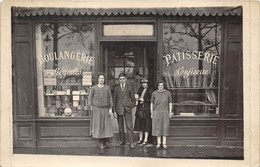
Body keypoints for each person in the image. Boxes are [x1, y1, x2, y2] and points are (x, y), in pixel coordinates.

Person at [88, 73, 113, 149]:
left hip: (105, 109)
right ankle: (101, 142)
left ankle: (106, 141)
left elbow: (110, 98)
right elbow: (90, 98)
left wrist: (110, 108)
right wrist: (91, 106)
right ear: (98, 79)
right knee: (98, 125)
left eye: (102, 78)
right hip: (97, 109)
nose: (101, 80)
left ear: (104, 79)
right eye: (100, 78)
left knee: (106, 125)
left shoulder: (107, 88)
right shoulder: (94, 88)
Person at [113, 73, 136, 148]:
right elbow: (114, 100)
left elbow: (134, 100)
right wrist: (114, 111)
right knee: (120, 127)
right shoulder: (116, 88)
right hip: (119, 109)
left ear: (126, 79)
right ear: (118, 80)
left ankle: (131, 142)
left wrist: (130, 107)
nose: (122, 80)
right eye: (120, 79)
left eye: (123, 79)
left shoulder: (129, 87)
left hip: (127, 109)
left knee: (129, 126)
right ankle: (122, 141)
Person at [150, 80, 173, 150]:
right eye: (159, 85)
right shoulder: (154, 93)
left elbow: (170, 103)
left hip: (165, 112)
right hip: (156, 112)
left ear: (164, 86)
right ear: (157, 86)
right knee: (158, 127)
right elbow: (151, 103)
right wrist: (152, 113)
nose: (160, 87)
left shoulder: (168, 93)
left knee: (165, 127)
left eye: (161, 85)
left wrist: (170, 112)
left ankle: (164, 143)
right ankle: (158, 143)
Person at [134, 78, 153, 147]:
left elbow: (151, 99)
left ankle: (145, 140)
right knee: (140, 125)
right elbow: (138, 97)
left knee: (146, 125)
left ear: (147, 84)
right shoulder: (140, 89)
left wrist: (144, 100)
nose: (143, 84)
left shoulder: (150, 90)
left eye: (145, 83)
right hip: (140, 109)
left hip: (147, 109)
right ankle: (140, 139)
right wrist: (137, 98)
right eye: (142, 83)